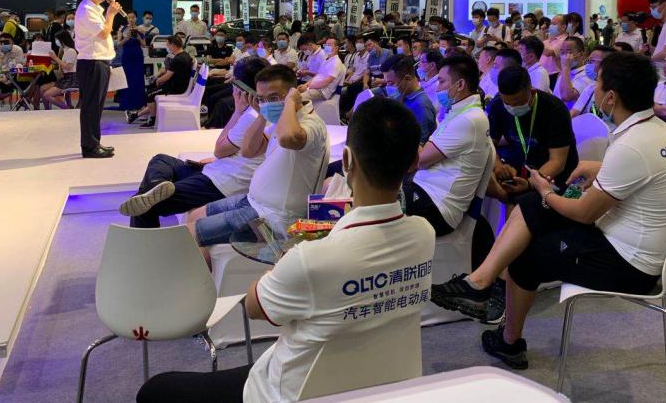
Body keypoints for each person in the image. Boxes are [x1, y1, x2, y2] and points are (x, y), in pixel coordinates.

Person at [137, 96, 433, 403]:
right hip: (378, 384)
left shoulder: (311, 259)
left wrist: (289, 260)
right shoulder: (423, 235)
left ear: (346, 161)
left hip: (289, 391)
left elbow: (254, 306)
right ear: (415, 160)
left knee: (155, 390)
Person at [430, 52, 666, 368]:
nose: (593, 88)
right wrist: (597, 169)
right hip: (632, 238)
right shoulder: (655, 129)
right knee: (532, 205)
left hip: (629, 264)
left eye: (597, 82)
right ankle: (481, 281)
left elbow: (584, 213)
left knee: (527, 255)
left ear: (611, 97)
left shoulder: (631, 145)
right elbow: (641, 173)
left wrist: (545, 191)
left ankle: (509, 342)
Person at [187, 64, 329, 258]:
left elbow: (288, 138)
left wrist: (289, 103)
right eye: (262, 98)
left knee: (189, 234)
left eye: (273, 98)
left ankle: (203, 273)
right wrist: (262, 113)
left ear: (293, 94)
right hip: (253, 201)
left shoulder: (311, 124)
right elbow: (248, 150)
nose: (267, 103)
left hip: (273, 220)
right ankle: (207, 268)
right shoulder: (281, 121)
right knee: (194, 215)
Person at [119, 57, 271, 228]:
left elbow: (219, 150)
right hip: (218, 171)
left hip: (220, 184)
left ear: (242, 88)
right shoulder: (259, 112)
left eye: (234, 81)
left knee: (142, 207)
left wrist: (237, 112)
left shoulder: (250, 117)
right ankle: (156, 187)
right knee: (160, 160)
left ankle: (151, 204)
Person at [405, 54, 491, 236]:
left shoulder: (469, 119)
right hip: (427, 190)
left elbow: (421, 160)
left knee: (377, 203)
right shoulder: (462, 111)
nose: (438, 87)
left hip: (438, 205)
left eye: (442, 82)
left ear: (460, 85)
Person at [488, 66, 578, 204]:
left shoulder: (555, 109)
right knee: (484, 180)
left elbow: (557, 162)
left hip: (552, 175)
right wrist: (498, 166)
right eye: (507, 103)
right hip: (520, 167)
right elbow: (489, 144)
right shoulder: (498, 105)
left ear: (532, 91)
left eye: (519, 103)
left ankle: (513, 204)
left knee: (523, 203)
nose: (513, 108)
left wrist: (530, 183)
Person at [74, 0, 120, 158]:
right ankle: (90, 147)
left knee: (97, 106)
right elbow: (103, 33)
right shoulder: (86, 10)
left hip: (98, 61)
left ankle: (94, 143)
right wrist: (111, 14)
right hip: (92, 62)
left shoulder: (94, 9)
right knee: (91, 106)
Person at [127, 35, 194, 128]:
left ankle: (152, 119)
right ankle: (137, 115)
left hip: (175, 88)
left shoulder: (178, 59)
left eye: (168, 45)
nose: (167, 47)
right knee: (151, 90)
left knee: (149, 95)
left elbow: (167, 76)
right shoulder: (185, 55)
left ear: (173, 45)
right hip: (178, 85)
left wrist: (158, 80)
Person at [381, 54, 437, 144]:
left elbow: (417, 146)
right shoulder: (402, 95)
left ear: (407, 78)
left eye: (391, 83)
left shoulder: (421, 107)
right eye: (387, 83)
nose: (388, 87)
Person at [39, 29, 79, 109]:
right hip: (66, 77)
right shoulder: (65, 50)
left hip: (72, 79)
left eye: (57, 39)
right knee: (42, 88)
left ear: (62, 40)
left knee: (47, 94)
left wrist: (55, 58)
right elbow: (63, 65)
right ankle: (47, 110)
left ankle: (67, 108)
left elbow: (68, 67)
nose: (56, 41)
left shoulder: (71, 51)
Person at [568, 46, 612, 118]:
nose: (588, 64)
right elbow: (574, 112)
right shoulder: (591, 88)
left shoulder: (616, 92)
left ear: (605, 63)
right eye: (588, 60)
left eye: (591, 61)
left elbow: (567, 96)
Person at [299, 36, 345, 102]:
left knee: (297, 98)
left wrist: (307, 87)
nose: (326, 47)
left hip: (322, 92)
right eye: (326, 45)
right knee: (295, 92)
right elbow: (317, 75)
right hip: (315, 88)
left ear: (336, 48)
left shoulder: (336, 62)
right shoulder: (326, 60)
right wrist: (305, 84)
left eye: (329, 45)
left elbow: (325, 82)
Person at [555, 36, 587, 104]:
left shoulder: (586, 75)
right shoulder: (563, 72)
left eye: (569, 52)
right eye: (562, 52)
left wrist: (566, 68)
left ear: (581, 54)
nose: (564, 56)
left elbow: (566, 96)